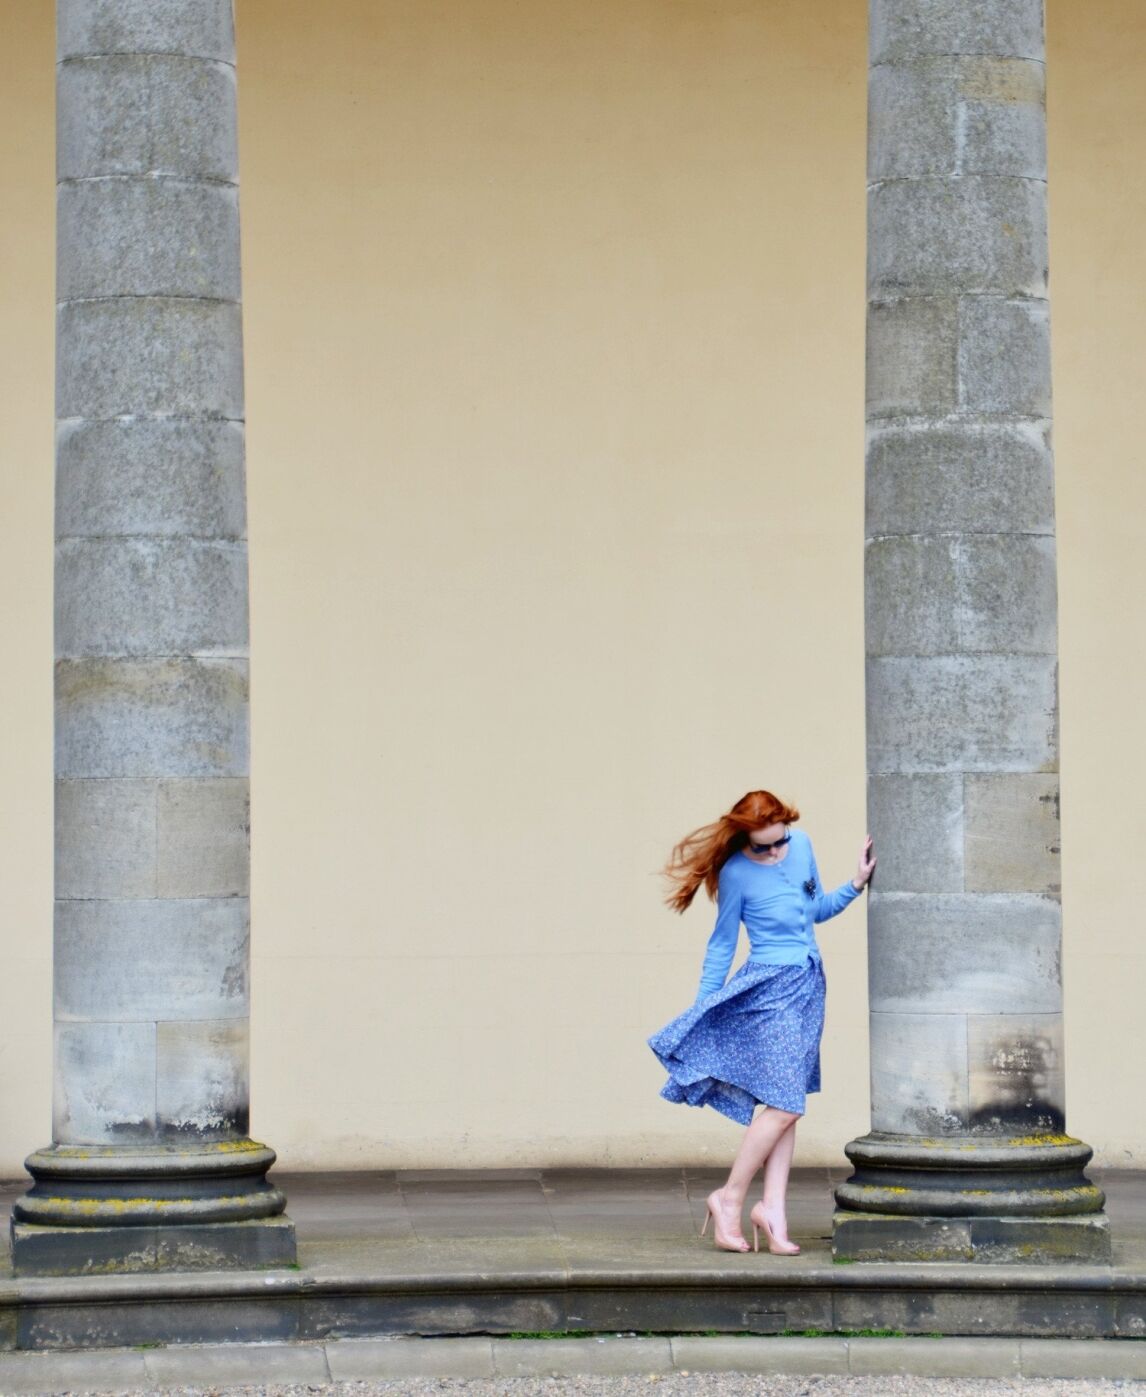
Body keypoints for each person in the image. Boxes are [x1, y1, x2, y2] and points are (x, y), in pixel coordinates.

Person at [648, 789, 874, 1255]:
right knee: (786, 1103)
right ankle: (729, 1198)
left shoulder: (803, 846)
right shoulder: (735, 874)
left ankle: (772, 1209)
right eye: (761, 846)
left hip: (808, 986)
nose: (773, 853)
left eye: (779, 842)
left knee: (782, 1100)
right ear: (743, 840)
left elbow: (816, 911)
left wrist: (854, 883)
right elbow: (722, 944)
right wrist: (701, 1008)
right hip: (767, 992)